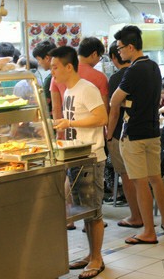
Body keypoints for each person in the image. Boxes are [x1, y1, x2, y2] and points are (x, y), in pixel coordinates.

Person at [106, 25, 164, 245]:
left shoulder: (133, 70)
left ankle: (148, 231)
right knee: (156, 179)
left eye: (120, 48)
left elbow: (114, 100)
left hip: (134, 133)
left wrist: (127, 103)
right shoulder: (153, 66)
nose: (119, 52)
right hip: (152, 131)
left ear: (130, 47)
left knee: (139, 182)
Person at [50, 46, 107, 279]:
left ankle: (97, 259)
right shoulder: (68, 91)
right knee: (85, 210)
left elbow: (101, 118)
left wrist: (70, 124)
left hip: (91, 157)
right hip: (76, 156)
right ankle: (91, 255)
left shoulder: (87, 88)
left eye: (55, 67)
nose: (52, 72)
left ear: (69, 67)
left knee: (93, 211)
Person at [106, 42, 142, 227]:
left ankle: (136, 216)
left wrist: (109, 135)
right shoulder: (143, 71)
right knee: (145, 177)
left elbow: (114, 112)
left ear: (114, 57)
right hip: (142, 130)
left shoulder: (116, 78)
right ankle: (148, 217)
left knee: (127, 175)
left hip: (122, 132)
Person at [51, 37, 109, 121]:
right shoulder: (100, 77)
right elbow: (105, 109)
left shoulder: (58, 75)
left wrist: (59, 127)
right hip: (90, 127)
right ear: (94, 54)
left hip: (68, 126)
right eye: (100, 57)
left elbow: (56, 108)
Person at [32, 40, 57, 114]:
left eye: (38, 59)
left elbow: (45, 102)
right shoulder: (61, 73)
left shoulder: (50, 79)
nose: (39, 63)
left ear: (47, 58)